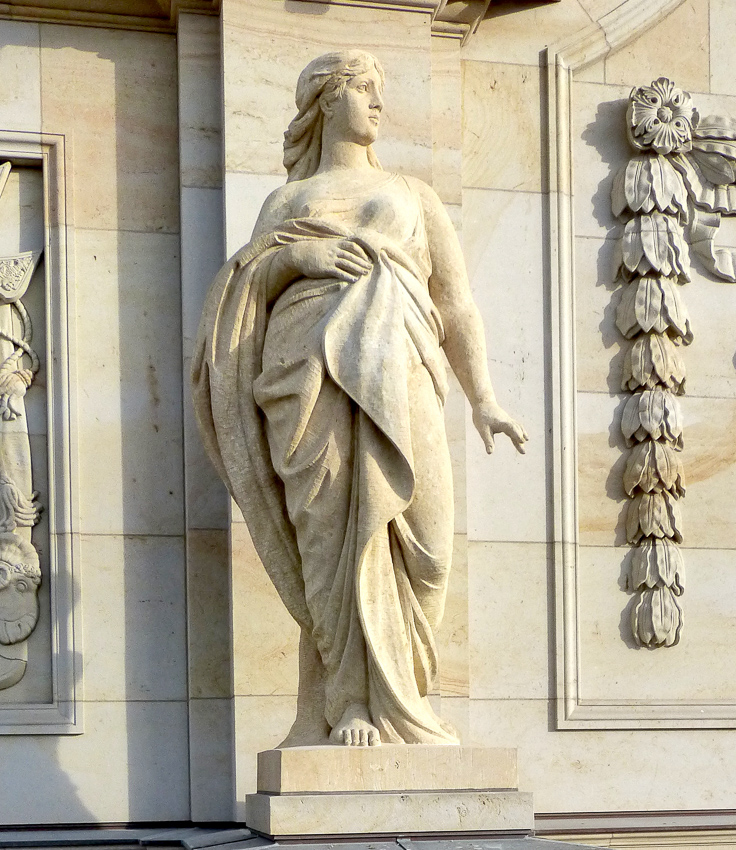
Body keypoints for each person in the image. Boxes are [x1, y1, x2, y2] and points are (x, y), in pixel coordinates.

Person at [192, 50, 527, 748]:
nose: (378, 105)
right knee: (332, 542)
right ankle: (347, 705)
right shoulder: (285, 203)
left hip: (404, 373)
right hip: (308, 385)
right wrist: (296, 258)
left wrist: (484, 397)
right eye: (365, 91)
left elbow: (456, 304)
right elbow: (242, 295)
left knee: (427, 542)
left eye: (379, 91)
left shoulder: (414, 193)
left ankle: (410, 703)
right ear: (327, 101)